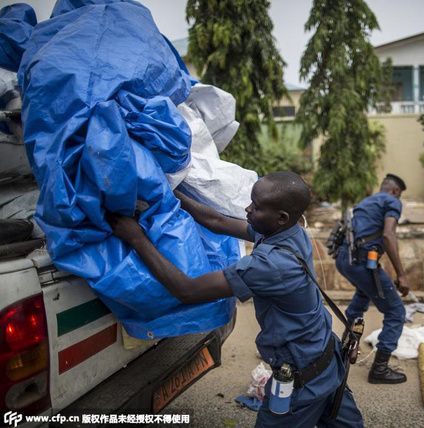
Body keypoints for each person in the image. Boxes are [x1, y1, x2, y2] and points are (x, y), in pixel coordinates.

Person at [109, 172, 363, 428]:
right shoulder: (289, 232)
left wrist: (136, 238)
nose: (247, 209)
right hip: (327, 359)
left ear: (281, 217)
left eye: (256, 206)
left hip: (302, 379)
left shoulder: (270, 264)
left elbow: (186, 290)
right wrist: (167, 192)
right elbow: (217, 220)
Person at [335, 174, 409, 384]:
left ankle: (342, 353)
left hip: (344, 260)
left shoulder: (367, 201)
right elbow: (388, 235)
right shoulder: (393, 201)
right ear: (395, 191)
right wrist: (401, 275)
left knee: (363, 295)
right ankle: (379, 369)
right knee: (395, 311)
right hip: (361, 263)